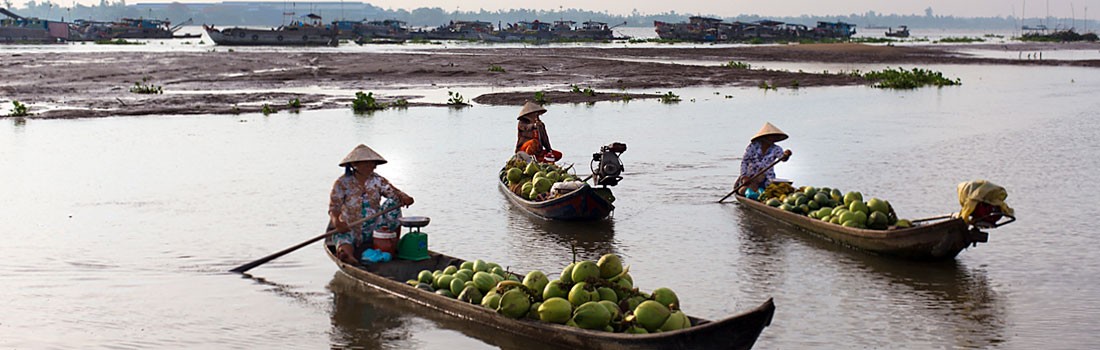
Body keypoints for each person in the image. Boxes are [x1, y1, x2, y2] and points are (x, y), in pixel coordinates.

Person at [329, 144, 414, 264]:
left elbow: (394, 193)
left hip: (374, 225)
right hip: (351, 225)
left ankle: (393, 247)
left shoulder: (377, 180)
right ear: (355, 165)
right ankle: (346, 254)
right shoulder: (342, 183)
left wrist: (405, 197)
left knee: (393, 203)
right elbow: (334, 207)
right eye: (367, 163)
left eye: (373, 163)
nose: (372, 166)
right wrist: (337, 222)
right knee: (343, 238)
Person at [737, 122, 792, 197]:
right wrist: (744, 177)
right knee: (743, 191)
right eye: (771, 136)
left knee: (771, 192)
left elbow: (783, 158)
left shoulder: (776, 149)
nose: (773, 139)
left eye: (774, 137)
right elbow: (745, 161)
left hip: (767, 179)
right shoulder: (753, 146)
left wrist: (786, 155)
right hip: (751, 178)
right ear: (765, 137)